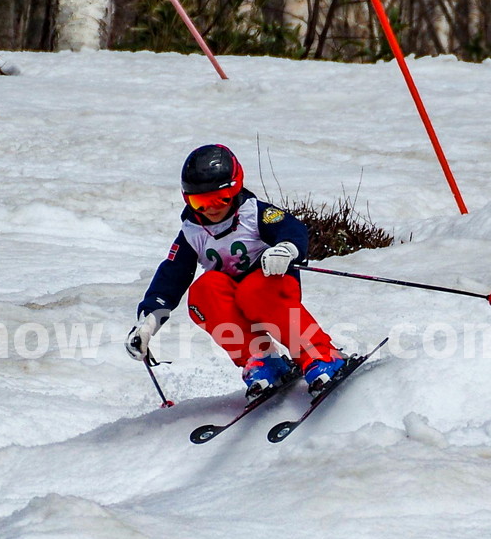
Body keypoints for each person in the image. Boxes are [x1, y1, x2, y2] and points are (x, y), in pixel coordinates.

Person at [125, 143, 354, 398]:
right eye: (200, 202)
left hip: (270, 288)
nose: (212, 208)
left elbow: (292, 229)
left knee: (253, 290)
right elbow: (170, 278)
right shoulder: (192, 233)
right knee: (203, 291)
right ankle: (263, 360)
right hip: (230, 298)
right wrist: (147, 324)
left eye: (220, 198)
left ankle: (321, 355)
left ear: (235, 188)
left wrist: (286, 249)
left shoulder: (254, 213)